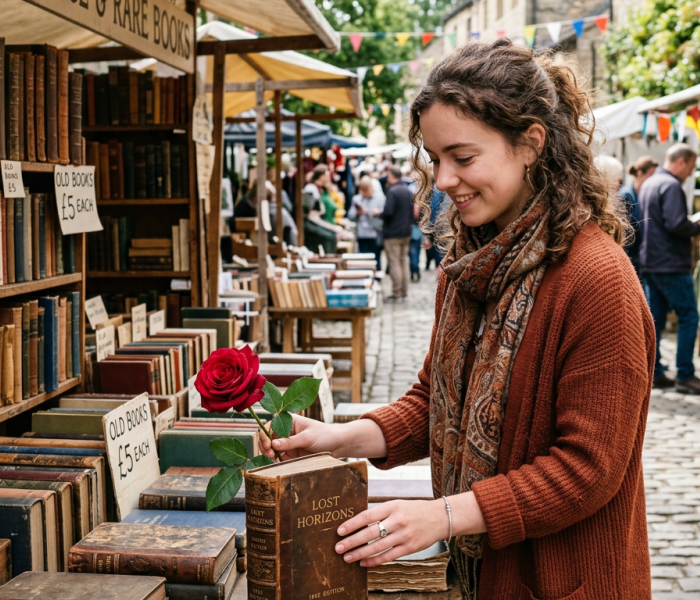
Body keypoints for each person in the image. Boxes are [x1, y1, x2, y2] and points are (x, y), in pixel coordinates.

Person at [260, 40, 654, 599]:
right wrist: (339, 439)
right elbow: (435, 402)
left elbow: (587, 470)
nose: (443, 179)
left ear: (530, 144)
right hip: (479, 578)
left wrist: (444, 515)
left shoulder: (597, 280)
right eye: (434, 158)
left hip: (565, 581)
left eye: (462, 158)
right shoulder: (470, 264)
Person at [639, 143, 700, 394]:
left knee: (656, 320)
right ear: (681, 161)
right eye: (691, 166)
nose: (692, 172)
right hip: (670, 263)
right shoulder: (671, 186)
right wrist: (698, 227)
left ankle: (655, 371)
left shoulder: (650, 183)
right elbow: (674, 223)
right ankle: (685, 374)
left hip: (652, 261)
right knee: (688, 316)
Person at [619, 156, 659, 274]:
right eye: (651, 174)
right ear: (640, 173)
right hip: (630, 254)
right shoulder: (626, 195)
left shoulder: (642, 194)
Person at [382, 166, 414, 301]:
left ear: (391, 176)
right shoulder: (407, 190)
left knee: (394, 262)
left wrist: (379, 214)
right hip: (406, 231)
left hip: (393, 232)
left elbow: (388, 211)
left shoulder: (392, 191)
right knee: (403, 261)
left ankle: (397, 292)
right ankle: (404, 291)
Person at [347, 176, 385, 269]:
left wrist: (377, 212)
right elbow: (350, 215)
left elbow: (387, 214)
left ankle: (376, 274)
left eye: (367, 190)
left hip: (375, 233)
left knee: (376, 259)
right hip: (362, 233)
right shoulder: (357, 199)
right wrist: (358, 213)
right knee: (364, 259)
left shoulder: (380, 198)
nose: (366, 193)